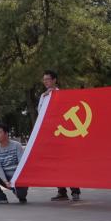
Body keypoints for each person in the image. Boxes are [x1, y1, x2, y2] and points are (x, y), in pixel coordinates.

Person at [38, 70, 82, 202]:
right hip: (50, 134)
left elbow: (65, 112)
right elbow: (40, 113)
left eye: (48, 79)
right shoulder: (43, 96)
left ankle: (75, 190)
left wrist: (55, 97)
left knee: (68, 163)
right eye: (44, 79)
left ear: (54, 80)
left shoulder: (62, 94)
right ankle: (61, 191)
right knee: (55, 164)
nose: (46, 82)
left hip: (63, 133)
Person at [0, 123, 27, 204]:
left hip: (17, 177)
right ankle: (0, 197)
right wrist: (5, 181)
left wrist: (15, 180)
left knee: (21, 196)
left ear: (6, 134)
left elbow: (22, 164)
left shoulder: (16, 145)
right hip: (4, 177)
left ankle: (18, 191)